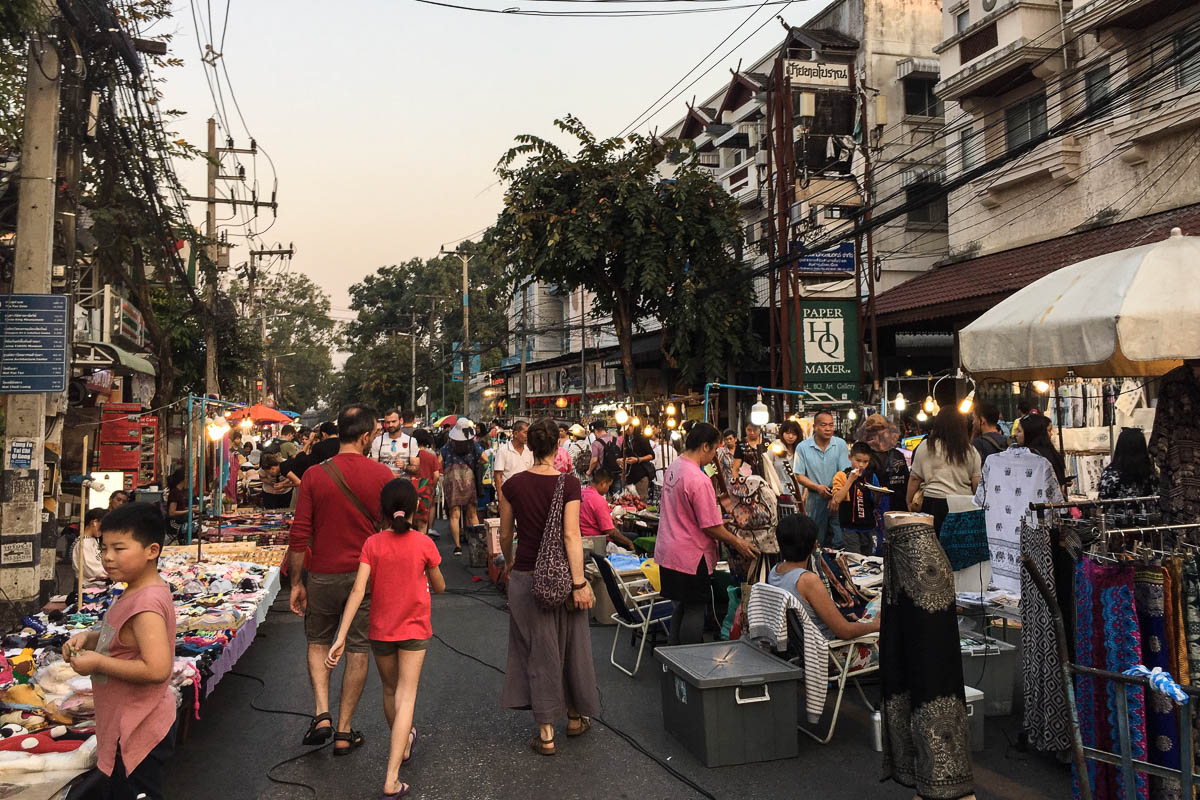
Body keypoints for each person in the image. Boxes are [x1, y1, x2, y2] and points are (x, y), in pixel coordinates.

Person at [326, 479, 444, 800]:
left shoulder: (372, 544)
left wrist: (341, 636)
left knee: (391, 691)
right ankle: (391, 778)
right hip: (415, 630)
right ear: (416, 507)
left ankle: (403, 741)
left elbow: (357, 591)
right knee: (407, 696)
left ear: (383, 510)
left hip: (380, 630)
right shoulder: (424, 544)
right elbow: (442, 585)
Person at [288, 405, 394, 755]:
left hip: (321, 575)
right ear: (365, 436)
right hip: (363, 577)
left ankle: (322, 713)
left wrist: (296, 582)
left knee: (318, 642)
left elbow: (299, 532)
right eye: (375, 433)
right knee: (357, 648)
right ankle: (345, 730)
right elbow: (392, 530)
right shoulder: (382, 476)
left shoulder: (316, 476)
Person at [499, 417, 599, 756]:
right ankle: (574, 716)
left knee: (536, 649)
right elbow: (572, 535)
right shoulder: (569, 485)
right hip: (564, 578)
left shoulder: (512, 485)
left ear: (530, 446)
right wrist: (580, 582)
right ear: (558, 446)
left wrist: (509, 559)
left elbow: (504, 533)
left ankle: (545, 733)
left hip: (527, 576)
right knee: (572, 646)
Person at [63, 503, 176, 800]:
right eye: (104, 548)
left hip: (139, 726)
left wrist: (100, 661)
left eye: (119, 548)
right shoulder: (133, 591)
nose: (108, 557)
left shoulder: (146, 604)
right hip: (128, 722)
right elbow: (124, 638)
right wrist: (89, 637)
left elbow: (157, 669)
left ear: (151, 551)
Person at [654, 422, 758, 646]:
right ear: (705, 446)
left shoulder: (674, 468)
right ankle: (689, 661)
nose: (713, 458)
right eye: (713, 451)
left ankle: (674, 661)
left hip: (669, 551)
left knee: (682, 605)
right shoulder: (698, 479)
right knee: (694, 608)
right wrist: (737, 541)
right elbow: (709, 526)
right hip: (690, 556)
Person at [768, 514, 881, 640]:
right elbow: (844, 631)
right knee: (879, 604)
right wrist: (874, 626)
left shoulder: (775, 571)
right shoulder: (807, 580)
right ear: (814, 545)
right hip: (826, 650)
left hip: (798, 643)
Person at [906, 406, 982, 533]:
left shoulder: (926, 446)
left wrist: (909, 502)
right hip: (962, 505)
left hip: (932, 504)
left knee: (933, 546)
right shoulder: (970, 450)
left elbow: (914, 478)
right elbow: (976, 483)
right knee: (958, 545)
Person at [793, 411, 851, 548]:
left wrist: (836, 496)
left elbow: (845, 473)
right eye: (824, 425)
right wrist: (817, 487)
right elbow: (799, 475)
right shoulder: (803, 447)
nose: (828, 428)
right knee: (816, 539)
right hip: (814, 498)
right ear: (815, 427)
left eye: (831, 425)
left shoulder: (840, 444)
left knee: (839, 540)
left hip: (838, 497)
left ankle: (838, 568)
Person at [829, 442, 882, 555]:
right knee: (855, 561)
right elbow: (837, 499)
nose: (861, 465)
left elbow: (876, 503)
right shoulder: (841, 476)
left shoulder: (871, 477)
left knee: (869, 561)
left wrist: (879, 494)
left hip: (869, 527)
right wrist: (850, 480)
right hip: (849, 528)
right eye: (858, 460)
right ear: (850, 457)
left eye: (865, 462)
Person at [440, 419, 480, 556]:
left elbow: (440, 460)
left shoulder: (448, 445)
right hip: (469, 478)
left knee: (454, 514)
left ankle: (457, 546)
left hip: (452, 478)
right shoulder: (473, 445)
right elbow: (485, 459)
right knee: (472, 513)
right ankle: (476, 542)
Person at [579, 468, 635, 549]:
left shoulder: (582, 492)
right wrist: (629, 543)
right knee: (634, 538)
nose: (607, 489)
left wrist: (609, 518)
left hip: (584, 536)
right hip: (597, 541)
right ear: (603, 484)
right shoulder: (598, 500)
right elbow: (610, 532)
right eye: (608, 486)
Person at [1100, 428, 1158, 501]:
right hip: (1146, 511)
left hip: (1116, 511)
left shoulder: (1110, 475)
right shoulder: (1150, 475)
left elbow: (1102, 499)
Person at [1019, 413, 1068, 494]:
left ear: (1030, 432)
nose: (1015, 434)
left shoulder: (1033, 456)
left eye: (1019, 431)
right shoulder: (1051, 453)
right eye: (1049, 430)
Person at [370, 409, 420, 477]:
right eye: (388, 422)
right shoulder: (378, 441)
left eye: (393, 421)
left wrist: (404, 466)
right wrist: (387, 474)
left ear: (401, 421)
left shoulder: (411, 441)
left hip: (404, 484)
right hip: (384, 485)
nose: (390, 425)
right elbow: (372, 467)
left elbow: (416, 469)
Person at [412, 430, 442, 537]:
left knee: (411, 520)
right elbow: (437, 475)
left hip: (411, 490)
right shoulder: (431, 456)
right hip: (426, 491)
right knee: (423, 522)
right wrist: (432, 487)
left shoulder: (412, 456)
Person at [494, 420, 533, 496]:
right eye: (525, 433)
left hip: (526, 493)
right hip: (508, 494)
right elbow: (498, 475)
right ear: (515, 434)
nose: (527, 436)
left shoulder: (529, 451)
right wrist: (500, 496)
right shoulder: (503, 451)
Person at [72, 507, 108, 588]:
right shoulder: (83, 543)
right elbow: (93, 570)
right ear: (94, 523)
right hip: (89, 587)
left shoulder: (92, 541)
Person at [618, 423, 655, 498]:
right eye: (625, 430)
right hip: (629, 476)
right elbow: (621, 456)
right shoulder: (626, 441)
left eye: (628, 429)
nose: (627, 431)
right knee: (629, 501)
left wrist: (638, 459)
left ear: (633, 426)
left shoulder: (642, 439)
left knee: (641, 501)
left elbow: (651, 455)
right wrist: (619, 460)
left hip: (641, 476)